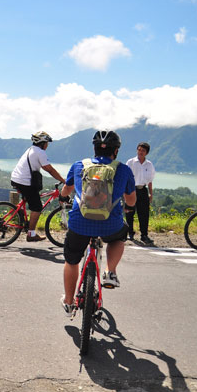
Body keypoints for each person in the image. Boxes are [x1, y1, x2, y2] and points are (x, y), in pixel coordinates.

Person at [58, 130, 136, 317]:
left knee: (71, 260)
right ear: (115, 151)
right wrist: (127, 206)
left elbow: (66, 190)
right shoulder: (124, 170)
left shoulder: (79, 166)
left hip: (79, 224)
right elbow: (132, 201)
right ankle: (110, 272)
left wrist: (63, 197)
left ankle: (69, 302)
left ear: (94, 148)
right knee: (119, 237)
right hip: (111, 224)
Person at [9, 131, 65, 242]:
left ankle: (26, 223)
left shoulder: (30, 149)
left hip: (16, 179)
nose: (47, 145)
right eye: (47, 143)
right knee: (37, 207)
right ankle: (31, 234)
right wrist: (63, 180)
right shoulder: (40, 152)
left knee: (32, 199)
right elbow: (49, 169)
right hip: (25, 183)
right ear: (43, 143)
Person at [126, 142, 155, 244]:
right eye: (139, 150)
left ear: (146, 152)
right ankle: (130, 233)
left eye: (143, 150)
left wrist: (151, 193)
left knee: (144, 214)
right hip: (131, 189)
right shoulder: (130, 162)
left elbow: (150, 180)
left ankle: (144, 235)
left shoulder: (149, 165)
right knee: (130, 212)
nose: (140, 152)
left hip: (143, 190)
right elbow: (125, 177)